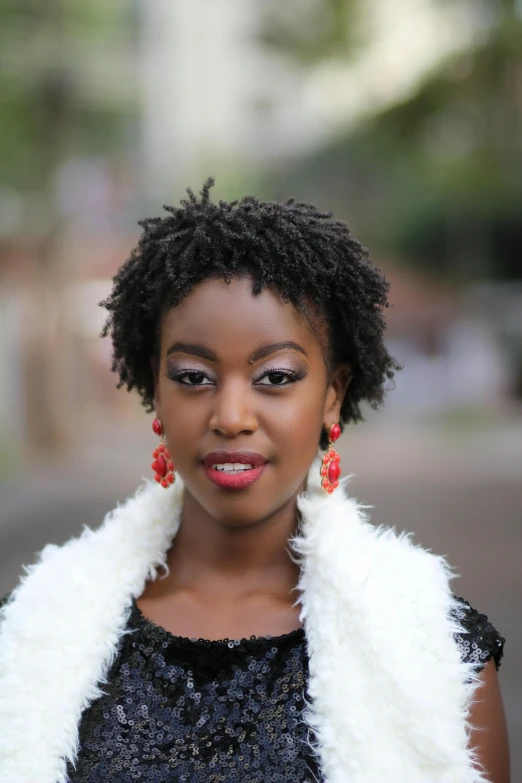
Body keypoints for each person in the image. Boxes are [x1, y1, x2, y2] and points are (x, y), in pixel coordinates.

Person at [0, 180, 509, 783]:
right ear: (155, 392)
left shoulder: (437, 654)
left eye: (274, 376)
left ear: (332, 396)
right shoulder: (30, 636)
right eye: (192, 376)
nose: (232, 416)